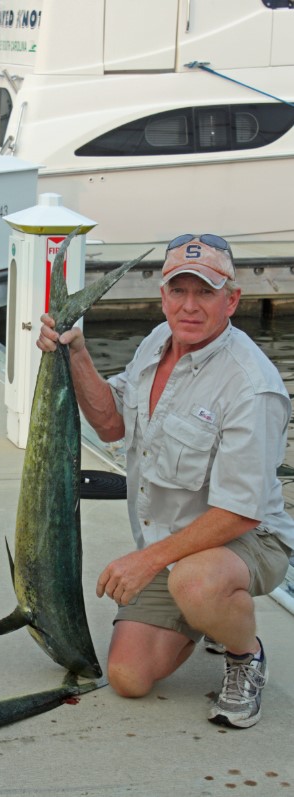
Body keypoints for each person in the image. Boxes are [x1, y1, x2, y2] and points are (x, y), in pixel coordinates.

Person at [37, 234, 294, 728]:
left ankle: (244, 656)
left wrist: (145, 561)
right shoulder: (158, 341)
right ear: (163, 294)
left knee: (196, 582)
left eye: (206, 292)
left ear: (232, 300)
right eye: (179, 291)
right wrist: (77, 355)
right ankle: (207, 615)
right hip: (174, 544)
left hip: (248, 539)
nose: (190, 306)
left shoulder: (252, 386)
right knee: (128, 677)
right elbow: (112, 424)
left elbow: (242, 510)